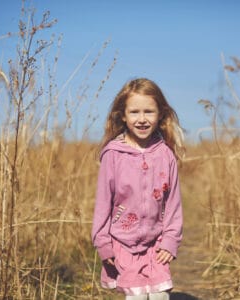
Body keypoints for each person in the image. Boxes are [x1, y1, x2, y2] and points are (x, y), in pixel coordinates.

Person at [91, 78, 184, 300]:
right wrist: (103, 243)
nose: (142, 119)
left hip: (156, 244)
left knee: (160, 296)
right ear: (123, 115)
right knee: (137, 297)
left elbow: (173, 204)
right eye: (134, 112)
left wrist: (170, 241)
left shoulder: (165, 155)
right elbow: (103, 204)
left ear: (160, 114)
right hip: (122, 243)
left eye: (148, 112)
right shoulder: (113, 155)